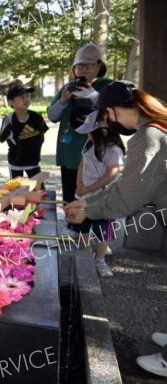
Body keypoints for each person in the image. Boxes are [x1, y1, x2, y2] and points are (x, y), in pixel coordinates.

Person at [64, 81, 167, 377]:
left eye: (107, 116)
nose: (110, 122)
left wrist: (86, 211)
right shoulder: (158, 126)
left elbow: (127, 198)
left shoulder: (148, 137)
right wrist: (87, 203)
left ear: (111, 111)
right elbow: (127, 187)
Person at [47, 43, 113, 206]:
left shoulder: (108, 86)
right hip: (69, 151)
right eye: (79, 65)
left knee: (94, 197)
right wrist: (63, 100)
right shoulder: (69, 87)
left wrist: (93, 96)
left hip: (97, 153)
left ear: (99, 65)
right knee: (71, 195)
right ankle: (73, 228)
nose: (82, 69)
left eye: (88, 65)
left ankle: (93, 229)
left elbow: (116, 113)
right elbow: (52, 116)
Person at [72, 111, 124, 277]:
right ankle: (85, 254)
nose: (87, 134)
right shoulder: (89, 142)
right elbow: (82, 162)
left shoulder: (114, 150)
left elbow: (111, 175)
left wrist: (89, 189)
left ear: (103, 132)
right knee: (82, 226)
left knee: (103, 231)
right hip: (83, 195)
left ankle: (100, 260)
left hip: (103, 199)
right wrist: (79, 184)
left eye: (90, 131)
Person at [0, 84, 48, 179]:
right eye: (21, 97)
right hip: (16, 164)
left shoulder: (36, 117)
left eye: (28, 96)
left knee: (39, 192)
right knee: (17, 191)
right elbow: (2, 138)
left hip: (34, 163)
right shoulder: (8, 120)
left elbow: (41, 135)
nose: (26, 99)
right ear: (11, 102)